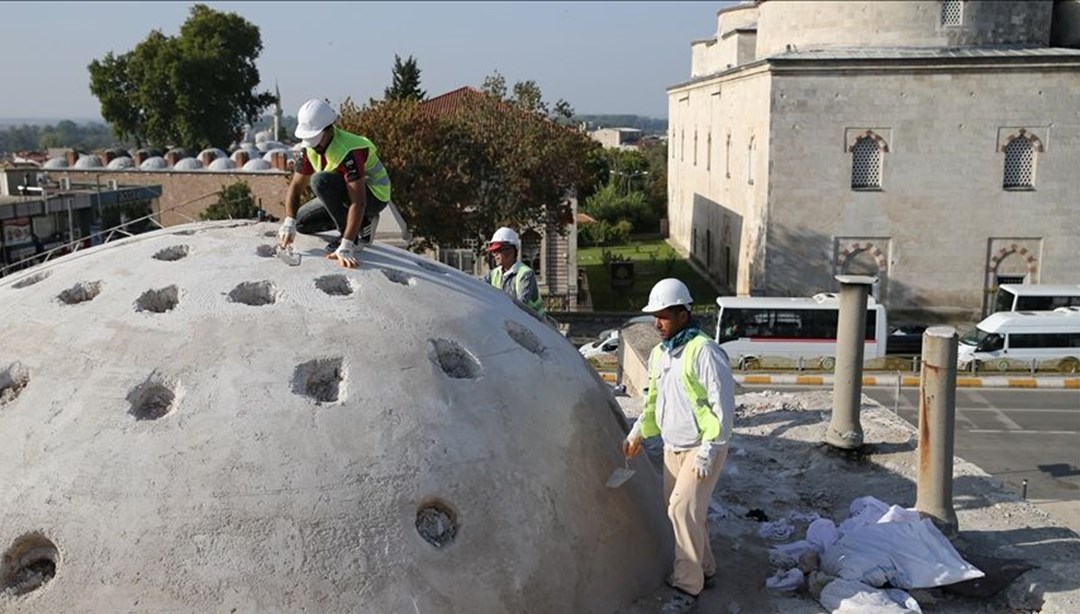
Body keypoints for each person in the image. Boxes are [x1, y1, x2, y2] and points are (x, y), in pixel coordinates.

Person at [622, 278, 736, 614]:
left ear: (683, 314)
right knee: (689, 514)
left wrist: (710, 449)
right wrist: (637, 432)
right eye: (654, 316)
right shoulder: (660, 353)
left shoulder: (704, 351)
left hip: (702, 448)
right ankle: (705, 569)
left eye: (663, 316)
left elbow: (723, 405)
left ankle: (688, 588)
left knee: (681, 510)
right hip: (674, 447)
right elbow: (653, 399)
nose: (657, 324)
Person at [277, 98, 392, 268]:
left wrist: (346, 245)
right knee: (301, 222)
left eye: (316, 138)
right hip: (346, 193)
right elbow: (296, 186)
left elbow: (358, 202)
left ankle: (354, 234)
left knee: (319, 180)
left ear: (329, 129)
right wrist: (289, 222)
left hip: (374, 195)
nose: (314, 146)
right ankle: (363, 223)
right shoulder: (309, 147)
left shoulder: (349, 150)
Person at [483, 226, 545, 318]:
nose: (494, 254)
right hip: (509, 322)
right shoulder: (492, 274)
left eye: (497, 250)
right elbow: (477, 289)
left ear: (511, 250)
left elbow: (519, 307)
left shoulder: (525, 274)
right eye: (493, 251)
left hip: (535, 326)